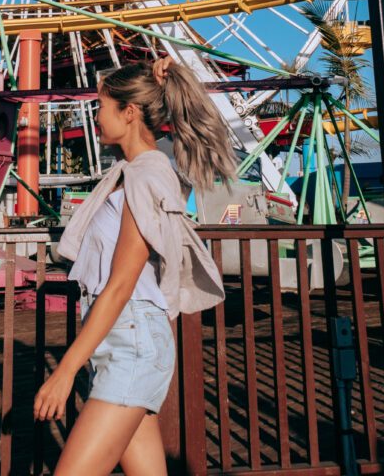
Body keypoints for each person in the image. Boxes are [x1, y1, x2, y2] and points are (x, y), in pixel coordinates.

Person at [33, 56, 237, 476]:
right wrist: (154, 74)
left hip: (132, 340)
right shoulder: (131, 172)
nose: (94, 116)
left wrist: (64, 371)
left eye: (101, 106)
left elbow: (121, 283)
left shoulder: (145, 177)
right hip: (123, 340)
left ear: (128, 114)